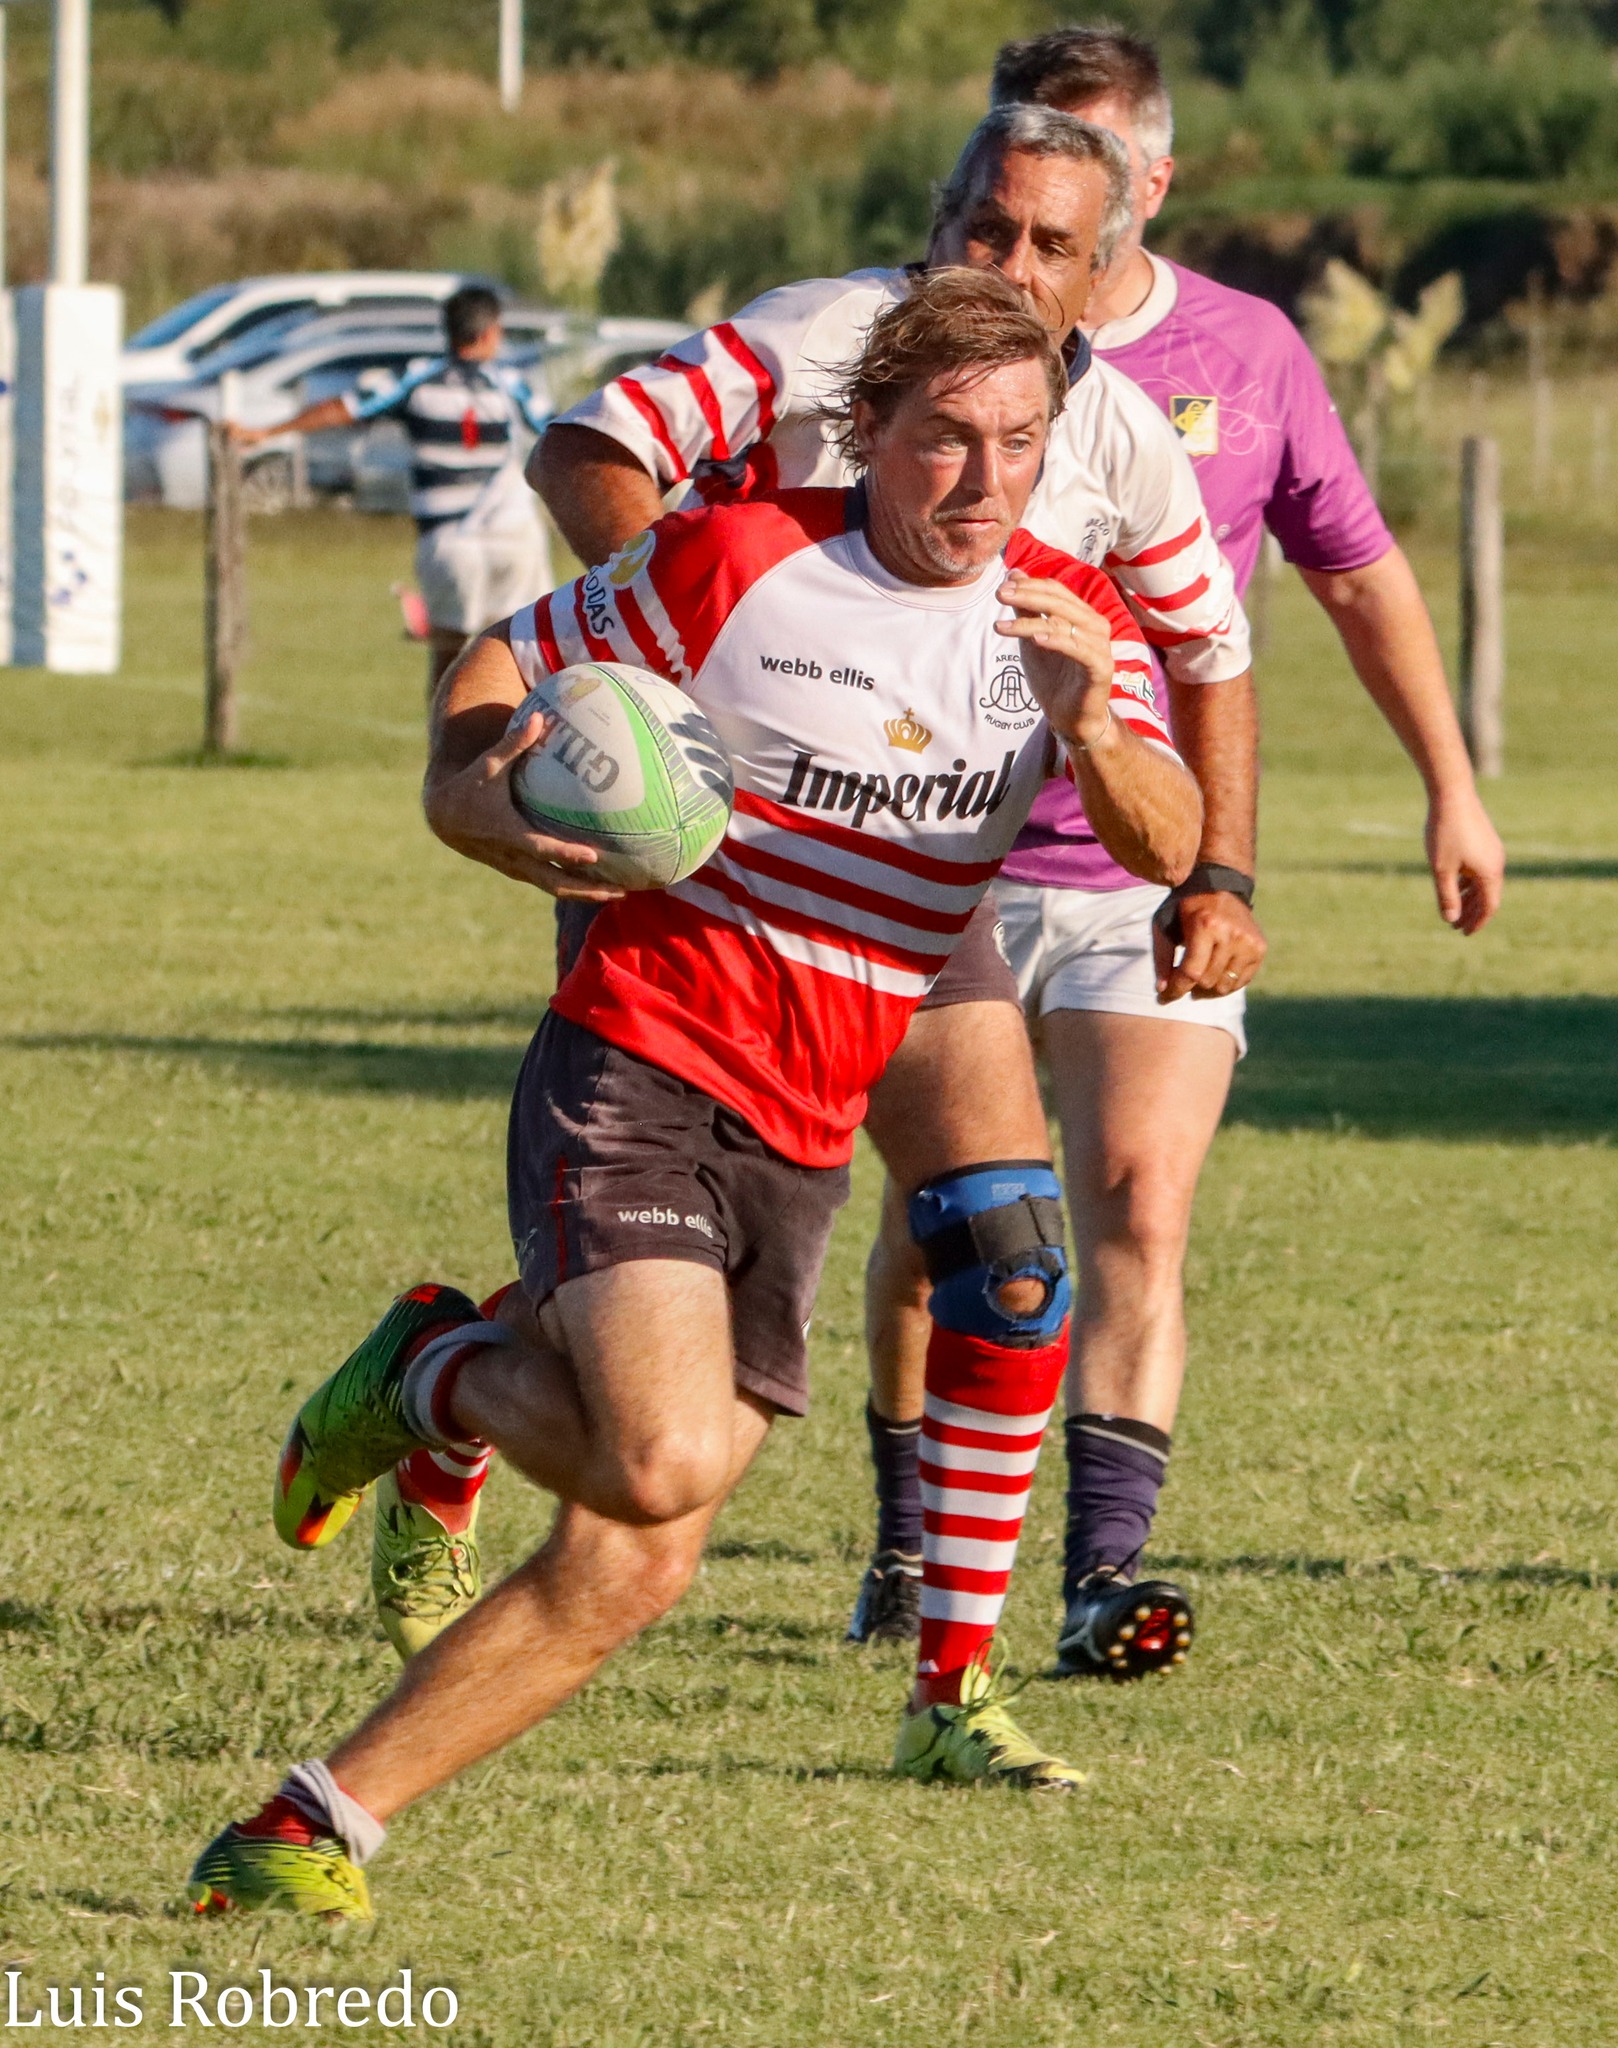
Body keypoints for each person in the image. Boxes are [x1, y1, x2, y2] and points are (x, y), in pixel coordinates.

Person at [187, 271, 1202, 1919]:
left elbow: (1163, 843)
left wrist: (1093, 723)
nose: (979, 480)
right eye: (942, 439)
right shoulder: (737, 563)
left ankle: (310, 1812)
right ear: (864, 431)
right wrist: (478, 809)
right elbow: (495, 661)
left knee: (637, 1547)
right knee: (658, 1468)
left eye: (1016, 444)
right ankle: (442, 1368)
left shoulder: (1071, 623)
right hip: (640, 1061)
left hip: (802, 1133)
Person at [531, 102, 1257, 1658]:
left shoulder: (1113, 433)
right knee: (668, 1426)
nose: (1005, 261)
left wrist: (1217, 868)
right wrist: (672, 676)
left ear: (1108, 260)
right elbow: (591, 451)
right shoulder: (821, 335)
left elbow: (1206, 654)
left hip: (927, 896)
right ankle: (467, 1407)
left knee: (1005, 1263)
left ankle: (947, 1675)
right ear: (936, 219)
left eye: (1048, 246)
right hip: (719, 890)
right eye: (983, 227)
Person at [850, 24, 1509, 1682]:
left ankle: (1099, 1577)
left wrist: (1439, 784)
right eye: (1005, 178)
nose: (1031, 215)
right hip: (946, 857)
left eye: (1076, 172)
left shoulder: (1240, 355)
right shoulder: (901, 349)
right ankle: (908, 1526)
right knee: (951, 1226)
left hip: (1139, 863)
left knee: (1135, 1200)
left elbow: (1343, 582)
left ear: (1144, 181)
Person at [235, 284, 551, 702]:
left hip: (450, 541)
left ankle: (445, 755)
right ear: (493, 332)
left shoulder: (416, 377)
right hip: (515, 537)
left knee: (450, 659)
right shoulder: (511, 383)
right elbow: (559, 432)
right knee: (524, 659)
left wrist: (268, 432)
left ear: (449, 331)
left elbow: (346, 407)